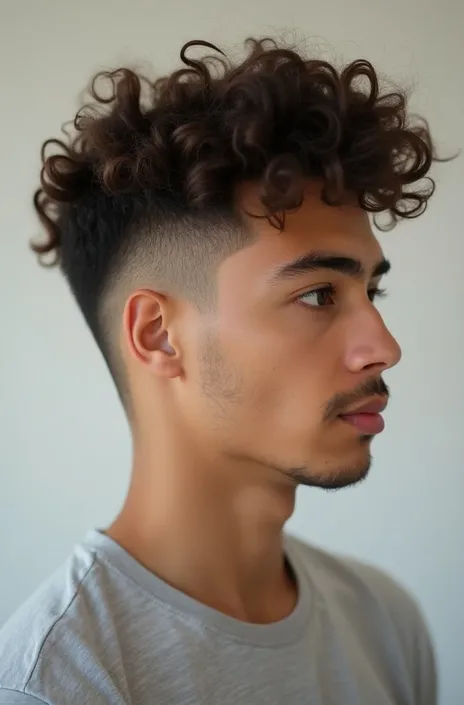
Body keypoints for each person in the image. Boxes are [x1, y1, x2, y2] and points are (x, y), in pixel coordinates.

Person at [0, 37, 438, 705]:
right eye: (319, 294)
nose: (383, 346)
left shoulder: (386, 622)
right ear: (159, 336)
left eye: (369, 293)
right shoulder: (58, 681)